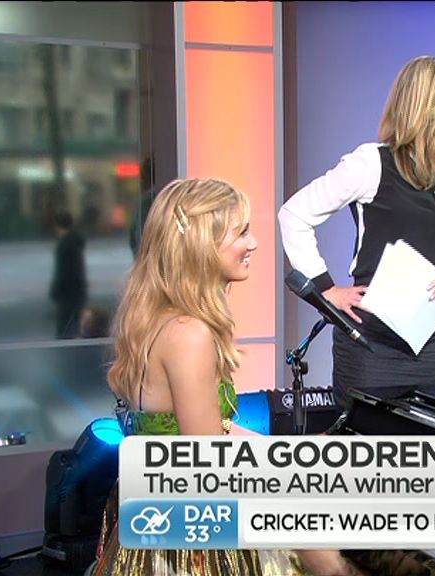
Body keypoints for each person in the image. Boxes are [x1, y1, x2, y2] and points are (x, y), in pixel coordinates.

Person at [91, 178, 360, 576]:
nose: (254, 243)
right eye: (241, 232)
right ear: (201, 245)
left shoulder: (159, 320)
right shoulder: (189, 334)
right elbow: (210, 464)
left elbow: (212, 431)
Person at [279, 55, 435, 408]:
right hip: (372, 347)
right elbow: (294, 215)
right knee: (368, 439)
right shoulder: (371, 163)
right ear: (433, 103)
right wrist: (326, 290)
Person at [49, 210, 87, 338]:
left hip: (66, 293)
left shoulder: (64, 245)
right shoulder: (76, 242)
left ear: (57, 226)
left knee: (64, 329)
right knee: (75, 326)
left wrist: (55, 291)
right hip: (77, 291)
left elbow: (62, 271)